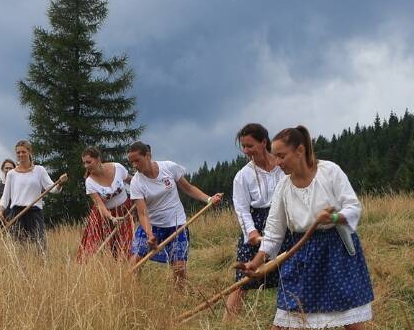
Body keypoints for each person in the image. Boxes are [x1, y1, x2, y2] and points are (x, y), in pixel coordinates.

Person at [244, 125, 375, 330]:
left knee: (353, 324)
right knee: (283, 321)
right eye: (275, 156)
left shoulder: (330, 172)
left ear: (300, 150)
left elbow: (354, 207)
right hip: (301, 256)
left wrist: (335, 217)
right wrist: (257, 261)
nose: (277, 161)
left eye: (281, 155)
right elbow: (273, 232)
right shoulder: (283, 187)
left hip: (336, 255)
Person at [126, 141, 221, 285]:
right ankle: (132, 293)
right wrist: (150, 235)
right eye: (132, 162)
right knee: (135, 262)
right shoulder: (136, 183)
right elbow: (143, 213)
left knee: (179, 267)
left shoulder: (168, 167)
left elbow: (188, 188)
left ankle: (180, 298)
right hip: (152, 225)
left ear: (148, 156)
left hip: (176, 224)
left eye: (137, 160)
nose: (134, 165)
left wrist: (208, 199)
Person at [226, 123, 288, 316]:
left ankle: (293, 320)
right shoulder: (242, 176)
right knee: (243, 279)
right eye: (243, 146)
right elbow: (242, 209)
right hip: (257, 225)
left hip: (285, 223)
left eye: (250, 145)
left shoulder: (283, 168)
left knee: (290, 275)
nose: (246, 151)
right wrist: (251, 231)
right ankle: (227, 328)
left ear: (263, 142)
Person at [76, 146, 134, 260]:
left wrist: (144, 185)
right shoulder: (90, 182)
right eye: (84, 163)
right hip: (103, 215)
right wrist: (111, 218)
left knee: (126, 243)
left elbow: (131, 181)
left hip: (124, 211)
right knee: (92, 246)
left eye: (89, 162)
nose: (86, 166)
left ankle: (124, 268)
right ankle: (86, 270)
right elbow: (100, 205)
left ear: (98, 159)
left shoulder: (117, 168)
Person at [0, 140, 56, 251]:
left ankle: (40, 266)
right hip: (17, 213)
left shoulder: (39, 170)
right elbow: (5, 197)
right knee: (19, 247)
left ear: (30, 152)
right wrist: (0, 210)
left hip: (34, 212)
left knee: (39, 245)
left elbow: (52, 188)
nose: (21, 155)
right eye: (18, 152)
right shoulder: (11, 174)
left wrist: (59, 184)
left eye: (23, 152)